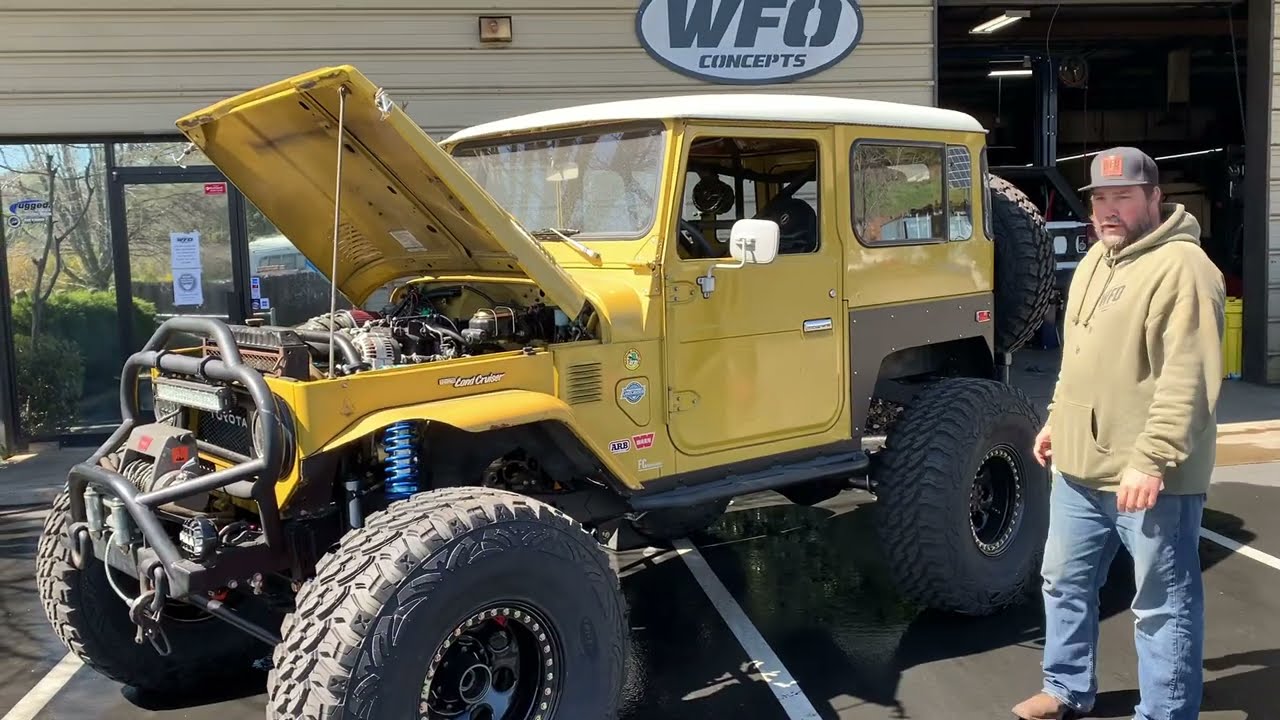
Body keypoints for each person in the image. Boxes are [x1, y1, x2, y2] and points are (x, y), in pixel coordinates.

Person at [1012, 147, 1226, 720]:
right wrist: (1058, 417)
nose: (1109, 209)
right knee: (1062, 584)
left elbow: (1190, 378)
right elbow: (1079, 359)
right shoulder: (1093, 262)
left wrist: (1152, 459)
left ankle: (1165, 712)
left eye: (1123, 197)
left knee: (1162, 604)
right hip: (1080, 471)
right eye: (1100, 198)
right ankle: (1064, 689)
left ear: (1155, 198)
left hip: (1149, 478)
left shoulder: (1184, 269)